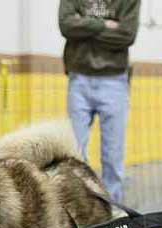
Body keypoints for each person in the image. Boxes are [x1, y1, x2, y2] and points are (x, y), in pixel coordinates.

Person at [59, 0, 141, 203]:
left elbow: (126, 35)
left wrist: (84, 26)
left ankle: (112, 210)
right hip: (79, 78)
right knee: (73, 152)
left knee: (113, 156)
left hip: (114, 80)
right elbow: (66, 26)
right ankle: (80, 209)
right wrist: (104, 24)